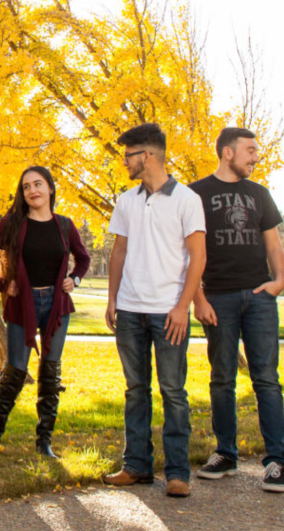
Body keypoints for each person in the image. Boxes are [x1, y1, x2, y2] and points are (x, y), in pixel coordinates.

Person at [102, 123, 207, 498]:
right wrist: (113, 299)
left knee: (173, 391)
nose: (124, 162)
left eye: (129, 155)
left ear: (147, 156)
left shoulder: (187, 199)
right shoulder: (127, 200)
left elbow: (198, 257)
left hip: (168, 313)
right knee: (136, 390)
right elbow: (119, 252)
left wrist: (183, 307)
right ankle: (137, 466)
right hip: (130, 310)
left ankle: (178, 472)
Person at [189, 128, 284, 493]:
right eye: (250, 150)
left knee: (266, 379)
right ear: (228, 152)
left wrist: (279, 282)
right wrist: (198, 299)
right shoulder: (196, 193)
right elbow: (186, 252)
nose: (255, 157)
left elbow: (274, 245)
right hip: (218, 298)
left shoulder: (259, 193)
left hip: (259, 297)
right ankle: (225, 453)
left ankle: (277, 461)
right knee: (222, 379)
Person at [0, 166, 91, 458]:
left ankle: (44, 443)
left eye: (38, 184)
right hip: (22, 304)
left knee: (50, 372)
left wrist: (75, 279)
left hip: (57, 306)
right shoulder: (12, 224)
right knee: (15, 370)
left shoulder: (65, 226)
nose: (32, 191)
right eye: (26, 186)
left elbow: (84, 258)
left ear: (50, 189)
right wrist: (2, 285)